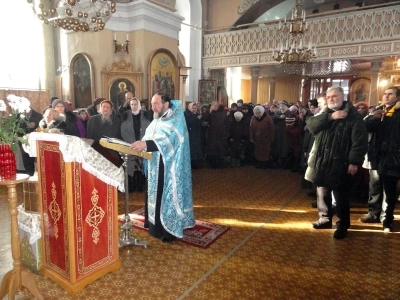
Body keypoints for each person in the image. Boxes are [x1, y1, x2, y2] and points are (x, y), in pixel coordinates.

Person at [130, 93, 195, 242]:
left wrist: (146, 144)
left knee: (163, 195)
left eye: (156, 104)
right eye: (152, 104)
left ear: (166, 104)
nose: (153, 107)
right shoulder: (157, 119)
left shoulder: (175, 120)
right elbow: (149, 135)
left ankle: (167, 231)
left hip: (169, 167)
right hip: (154, 163)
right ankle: (154, 225)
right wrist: (142, 143)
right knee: (153, 193)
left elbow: (169, 140)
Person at [306, 86, 368, 239]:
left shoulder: (353, 116)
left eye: (334, 96)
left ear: (342, 97)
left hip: (341, 161)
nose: (331, 99)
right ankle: (325, 219)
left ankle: (343, 225)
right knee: (322, 193)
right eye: (329, 97)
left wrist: (354, 162)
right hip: (322, 161)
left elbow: (359, 142)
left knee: (340, 196)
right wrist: (330, 117)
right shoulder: (325, 113)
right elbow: (311, 126)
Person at [362, 87, 400, 232]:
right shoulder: (378, 111)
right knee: (374, 187)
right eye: (385, 94)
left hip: (391, 156)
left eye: (390, 94)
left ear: (397, 98)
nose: (386, 96)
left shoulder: (397, 113)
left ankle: (387, 218)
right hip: (375, 155)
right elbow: (364, 127)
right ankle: (373, 213)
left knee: (389, 190)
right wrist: (373, 117)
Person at [121, 97, 152, 192]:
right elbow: (123, 131)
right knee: (131, 167)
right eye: (132, 104)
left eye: (135, 104)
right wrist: (133, 143)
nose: (133, 106)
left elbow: (149, 131)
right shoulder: (126, 117)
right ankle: (131, 188)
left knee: (141, 167)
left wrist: (142, 143)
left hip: (143, 145)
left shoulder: (145, 116)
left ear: (138, 105)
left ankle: (141, 188)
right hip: (130, 145)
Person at [87, 100, 122, 166]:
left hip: (112, 151)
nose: (105, 109)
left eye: (108, 107)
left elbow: (119, 136)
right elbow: (89, 137)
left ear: (111, 109)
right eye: (104, 107)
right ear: (100, 108)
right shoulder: (93, 120)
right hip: (97, 151)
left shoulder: (116, 120)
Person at [184, 102, 203, 169]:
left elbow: (199, 124)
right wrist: (196, 118)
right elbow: (188, 122)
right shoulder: (186, 114)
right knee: (191, 150)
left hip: (196, 134)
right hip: (190, 134)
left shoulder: (197, 114)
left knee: (196, 149)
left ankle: (196, 163)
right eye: (193, 108)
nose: (195, 109)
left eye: (195, 108)